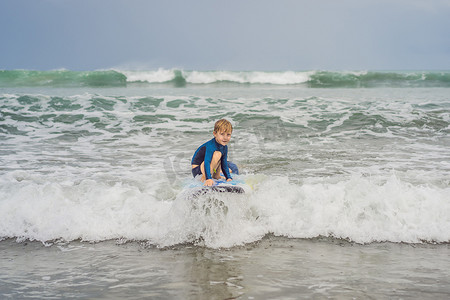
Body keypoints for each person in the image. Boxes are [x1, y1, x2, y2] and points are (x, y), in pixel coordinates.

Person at [191, 119, 234, 186]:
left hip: (207, 167)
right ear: (215, 134)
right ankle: (205, 178)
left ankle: (217, 176)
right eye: (222, 134)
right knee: (218, 154)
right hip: (198, 170)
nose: (225, 138)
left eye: (228, 135)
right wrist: (208, 178)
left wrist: (228, 178)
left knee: (222, 157)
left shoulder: (225, 147)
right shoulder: (211, 145)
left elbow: (224, 163)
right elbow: (207, 162)